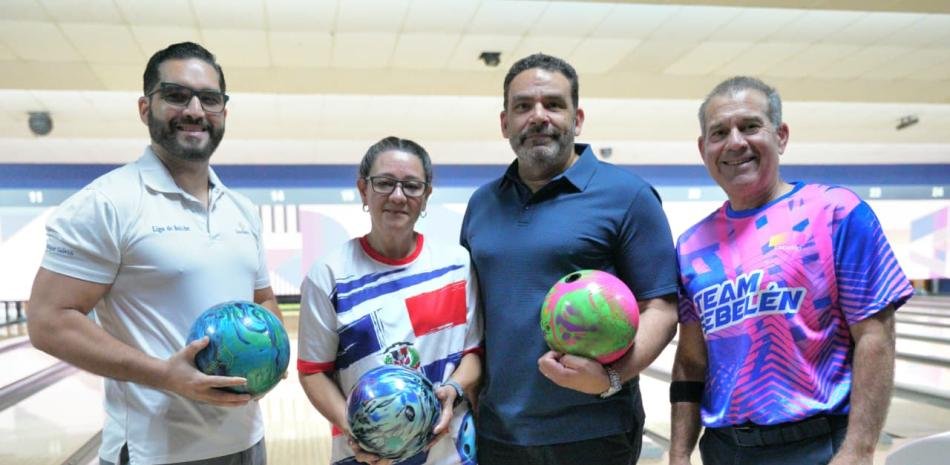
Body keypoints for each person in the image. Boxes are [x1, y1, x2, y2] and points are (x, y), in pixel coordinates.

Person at [26, 42, 283, 465]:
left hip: (247, 442)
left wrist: (271, 349)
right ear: (146, 108)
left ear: (223, 112)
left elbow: (262, 299)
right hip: (155, 452)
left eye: (210, 99)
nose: (195, 110)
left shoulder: (243, 210)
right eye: (177, 95)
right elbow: (47, 322)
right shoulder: (108, 203)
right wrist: (164, 376)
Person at [669, 76, 914, 465]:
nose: (735, 142)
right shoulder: (691, 244)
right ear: (703, 149)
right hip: (724, 450)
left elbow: (874, 335)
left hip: (818, 447)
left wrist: (859, 449)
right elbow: (691, 360)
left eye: (750, 126)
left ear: (780, 136)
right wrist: (679, 454)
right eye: (719, 132)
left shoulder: (836, 212)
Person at [460, 53, 679, 465]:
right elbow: (471, 316)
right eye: (523, 106)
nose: (538, 116)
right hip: (499, 432)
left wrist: (612, 377)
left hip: (594, 433)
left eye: (553, 105)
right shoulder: (482, 204)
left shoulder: (627, 196)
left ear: (577, 119)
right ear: (505, 122)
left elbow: (661, 308)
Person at [297, 136, 483, 465]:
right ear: (363, 190)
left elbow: (473, 354)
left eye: (412, 186)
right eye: (385, 183)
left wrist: (453, 389)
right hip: (363, 456)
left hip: (448, 452)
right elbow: (313, 371)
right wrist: (357, 430)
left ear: (426, 197)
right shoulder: (328, 275)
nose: (398, 196)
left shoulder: (457, 265)